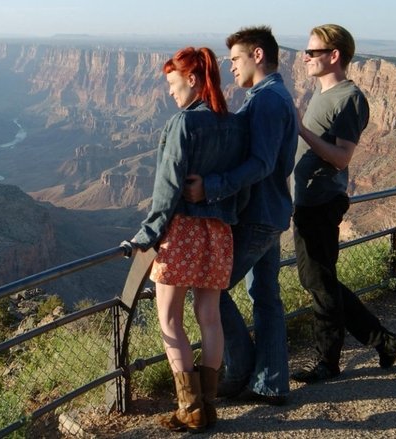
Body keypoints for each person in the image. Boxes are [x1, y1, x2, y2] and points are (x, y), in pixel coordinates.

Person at [128, 46, 248, 433]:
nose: (169, 91)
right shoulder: (233, 124)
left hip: (181, 231)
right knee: (209, 318)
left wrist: (148, 233)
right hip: (219, 231)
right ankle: (209, 405)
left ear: (192, 79)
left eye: (172, 82)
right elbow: (241, 183)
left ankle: (190, 408)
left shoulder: (184, 124)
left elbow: (167, 187)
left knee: (169, 317)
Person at [183, 26, 297, 405]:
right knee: (266, 298)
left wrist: (211, 187)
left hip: (257, 216)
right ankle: (272, 383)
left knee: (207, 290)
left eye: (235, 58)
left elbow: (262, 163)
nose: (230, 67)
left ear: (258, 55)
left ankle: (240, 368)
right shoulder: (277, 95)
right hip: (274, 211)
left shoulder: (265, 100)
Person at [290, 24, 396, 383]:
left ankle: (328, 361)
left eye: (312, 52)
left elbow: (341, 157)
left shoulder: (349, 98)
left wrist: (301, 129)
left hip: (322, 202)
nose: (305, 57)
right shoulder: (324, 95)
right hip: (309, 201)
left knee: (319, 283)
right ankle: (383, 341)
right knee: (320, 280)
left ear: (333, 55)